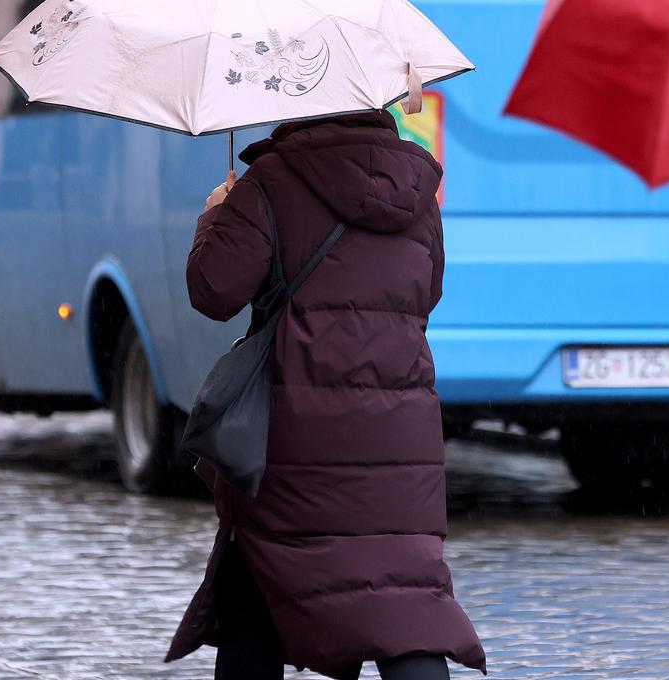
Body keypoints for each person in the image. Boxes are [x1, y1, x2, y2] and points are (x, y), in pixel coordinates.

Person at [166, 111, 486, 680]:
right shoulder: (417, 189)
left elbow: (214, 290)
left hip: (296, 431)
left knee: (260, 582)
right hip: (398, 435)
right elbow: (427, 292)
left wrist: (217, 214)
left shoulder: (271, 181)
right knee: (403, 598)